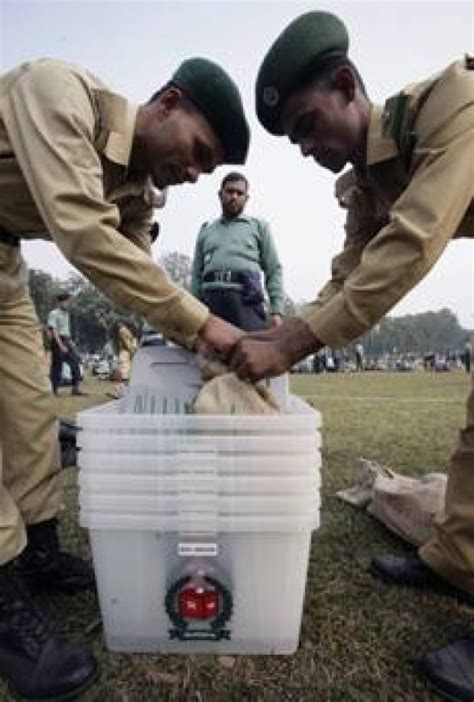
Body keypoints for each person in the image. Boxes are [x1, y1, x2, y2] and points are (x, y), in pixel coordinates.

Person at [228, 11, 473, 701]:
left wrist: (294, 344)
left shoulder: (453, 105)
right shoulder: (365, 181)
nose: (305, 147)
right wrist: (274, 338)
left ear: (345, 85)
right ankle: (457, 562)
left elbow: (413, 243)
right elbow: (348, 273)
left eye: (307, 125)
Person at [0, 55, 249, 700]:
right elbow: (83, 232)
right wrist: (206, 326)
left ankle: (40, 553)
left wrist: (205, 349)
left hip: (3, 265)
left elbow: (141, 275)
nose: (194, 174)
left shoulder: (140, 187)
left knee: (31, 414)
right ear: (165, 103)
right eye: (198, 151)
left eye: (208, 168)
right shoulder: (56, 92)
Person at [190, 172, 284, 331]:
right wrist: (193, 309)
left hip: (246, 301)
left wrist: (276, 310)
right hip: (211, 302)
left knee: (249, 351)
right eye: (230, 191)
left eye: (239, 193)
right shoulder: (206, 230)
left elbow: (273, 269)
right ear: (220, 195)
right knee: (210, 352)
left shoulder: (259, 227)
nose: (234, 196)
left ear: (246, 198)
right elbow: (196, 273)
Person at [47, 291, 86, 396]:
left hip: (67, 340)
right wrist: (60, 345)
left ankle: (75, 388)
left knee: (75, 362)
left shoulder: (67, 314)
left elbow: (66, 330)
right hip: (58, 341)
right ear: (60, 302)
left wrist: (70, 343)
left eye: (69, 302)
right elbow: (54, 330)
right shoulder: (53, 313)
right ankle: (54, 390)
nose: (68, 304)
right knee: (57, 366)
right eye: (66, 302)